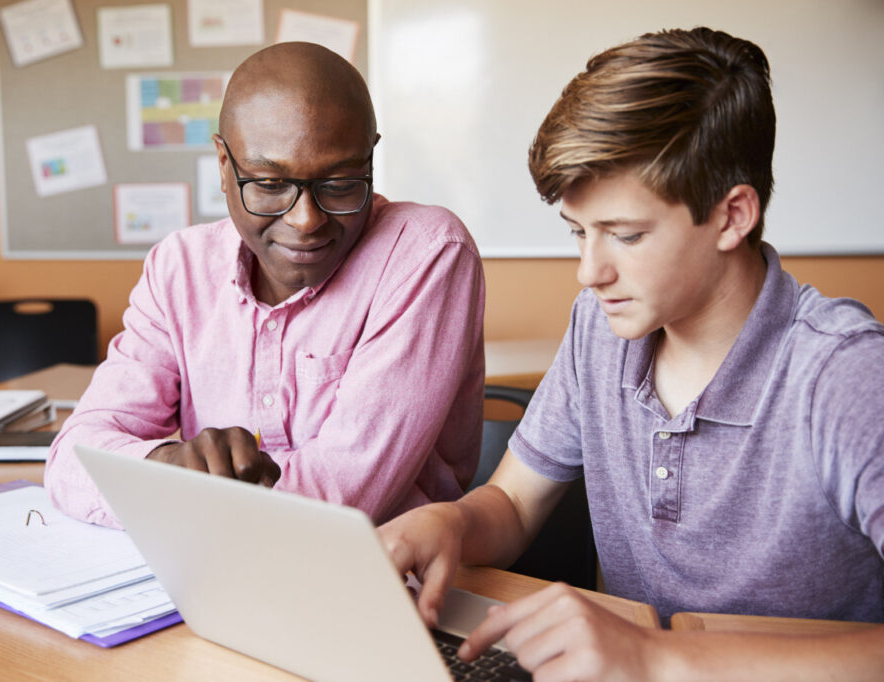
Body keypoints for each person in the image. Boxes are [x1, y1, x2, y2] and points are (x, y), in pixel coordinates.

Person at [380, 27, 884, 680]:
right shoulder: (599, 328)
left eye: (625, 235)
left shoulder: (847, 374)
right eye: (578, 233)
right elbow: (515, 504)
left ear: (733, 215)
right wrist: (450, 523)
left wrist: (655, 656)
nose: (589, 272)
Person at [46, 42, 485, 528]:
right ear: (223, 164)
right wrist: (165, 465)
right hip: (208, 562)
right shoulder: (179, 268)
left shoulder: (426, 253)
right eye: (271, 185)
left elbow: (339, 502)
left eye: (340, 183)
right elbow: (73, 458)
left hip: (383, 569)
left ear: (369, 159)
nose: (306, 219)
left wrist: (164, 494)